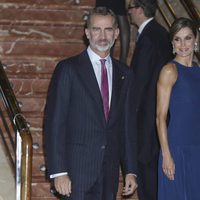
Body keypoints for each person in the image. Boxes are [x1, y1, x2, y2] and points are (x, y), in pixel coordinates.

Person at [44, 6, 137, 200]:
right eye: (96, 29)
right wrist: (59, 171)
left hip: (109, 173)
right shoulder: (68, 69)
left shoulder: (125, 74)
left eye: (108, 29)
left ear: (117, 33)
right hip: (76, 173)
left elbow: (127, 126)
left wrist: (130, 170)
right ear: (87, 33)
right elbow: (55, 123)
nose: (103, 36)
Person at [128, 0, 173, 199]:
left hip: (146, 123)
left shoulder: (148, 38)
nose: (128, 13)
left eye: (130, 8)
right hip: (158, 118)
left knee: (148, 182)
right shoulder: (161, 33)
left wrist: (128, 116)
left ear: (139, 9)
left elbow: (139, 84)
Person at [156, 17, 200, 200]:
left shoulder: (198, 70)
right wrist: (166, 154)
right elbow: (160, 117)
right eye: (177, 39)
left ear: (196, 39)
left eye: (188, 38)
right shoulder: (169, 70)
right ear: (172, 42)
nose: (183, 44)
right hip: (176, 149)